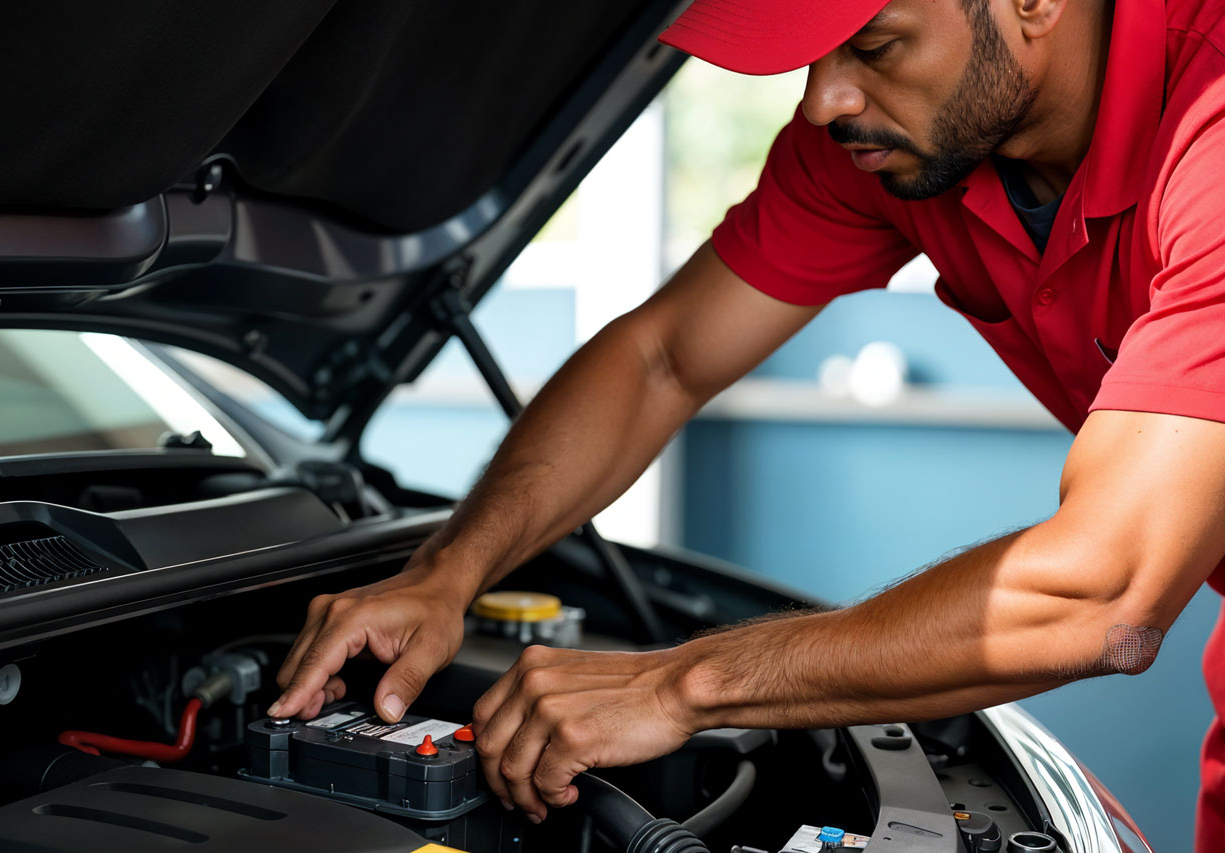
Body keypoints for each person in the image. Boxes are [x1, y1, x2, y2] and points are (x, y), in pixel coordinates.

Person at [268, 0, 1225, 846]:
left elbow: (1106, 589)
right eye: (808, 59)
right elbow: (662, 359)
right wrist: (446, 572)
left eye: (874, 44)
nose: (823, 102)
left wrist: (675, 685)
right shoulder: (902, 137)